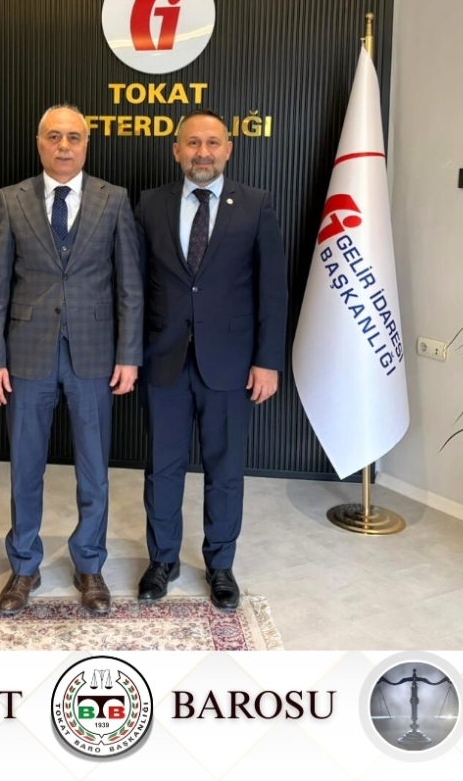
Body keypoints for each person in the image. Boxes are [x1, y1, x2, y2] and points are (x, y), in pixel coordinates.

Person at [0, 104, 142, 616]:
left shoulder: (113, 199)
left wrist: (129, 355)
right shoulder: (11, 200)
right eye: (54, 136)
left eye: (74, 137)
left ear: (86, 144)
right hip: (27, 355)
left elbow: (130, 286)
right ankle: (24, 565)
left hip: (94, 355)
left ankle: (89, 563)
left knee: (94, 470)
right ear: (39, 143)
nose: (64, 145)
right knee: (25, 467)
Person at [134, 109, 288, 610]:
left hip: (232, 363)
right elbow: (136, 286)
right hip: (164, 360)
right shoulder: (150, 204)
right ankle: (163, 560)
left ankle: (220, 565)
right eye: (193, 143)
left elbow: (273, 291)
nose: (203, 153)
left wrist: (267, 361)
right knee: (162, 468)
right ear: (176, 150)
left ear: (228, 149)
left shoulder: (256, 204)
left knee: (224, 470)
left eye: (213, 143)